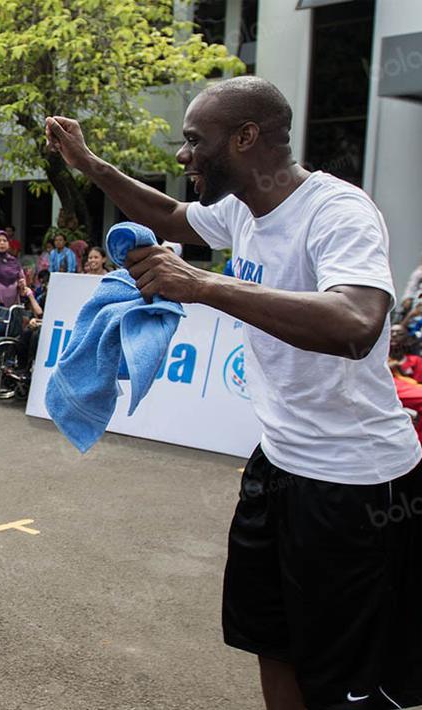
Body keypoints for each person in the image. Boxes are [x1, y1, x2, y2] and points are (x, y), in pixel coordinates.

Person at [47, 74, 422, 709]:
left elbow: (358, 324)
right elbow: (167, 215)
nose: (183, 155)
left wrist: (204, 285)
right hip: (277, 466)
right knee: (269, 639)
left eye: (195, 140)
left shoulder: (337, 211)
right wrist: (88, 163)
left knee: (345, 682)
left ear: (246, 138)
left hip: (355, 486)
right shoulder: (242, 208)